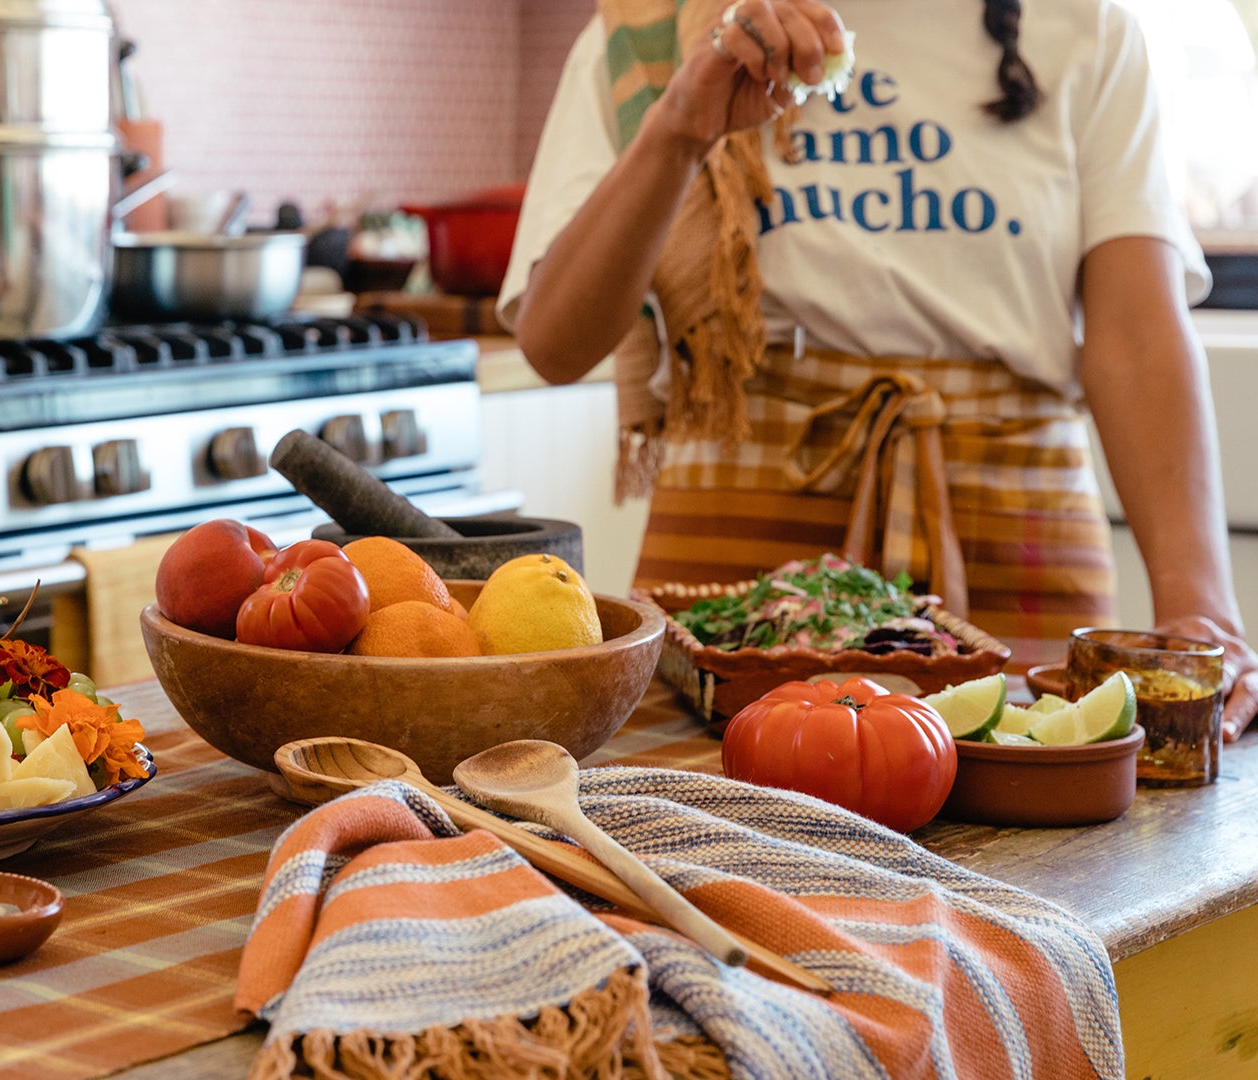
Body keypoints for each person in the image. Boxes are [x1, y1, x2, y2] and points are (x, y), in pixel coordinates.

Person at [499, 0, 1258, 738]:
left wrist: (1203, 612)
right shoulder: (650, 30)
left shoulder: (1090, 30)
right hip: (735, 578)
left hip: (1013, 552)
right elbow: (553, 343)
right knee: (721, 843)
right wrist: (677, 130)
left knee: (1048, 836)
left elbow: (1137, 335)